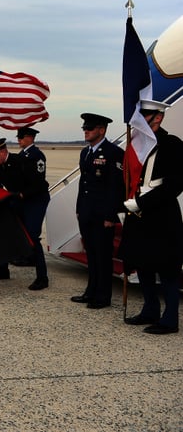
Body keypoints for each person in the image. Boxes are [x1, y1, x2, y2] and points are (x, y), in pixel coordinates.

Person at [119, 100, 183, 334]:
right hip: (138, 215)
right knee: (142, 264)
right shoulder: (136, 143)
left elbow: (175, 185)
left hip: (162, 215)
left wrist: (142, 202)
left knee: (167, 269)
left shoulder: (172, 144)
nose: (139, 120)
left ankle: (170, 319)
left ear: (159, 117)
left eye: (145, 115)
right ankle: (150, 309)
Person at [0, 134, 50, 289]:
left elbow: (40, 185)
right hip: (18, 199)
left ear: (3, 152)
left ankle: (42, 278)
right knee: (5, 230)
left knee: (32, 236)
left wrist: (22, 194)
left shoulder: (22, 162)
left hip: (35, 200)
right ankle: (3, 270)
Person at [71, 113, 125, 309]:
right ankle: (90, 291)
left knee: (103, 256)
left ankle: (103, 297)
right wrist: (79, 208)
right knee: (91, 254)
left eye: (90, 128)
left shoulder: (113, 152)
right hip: (86, 212)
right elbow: (83, 184)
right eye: (85, 128)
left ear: (102, 130)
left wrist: (111, 216)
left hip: (103, 215)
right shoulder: (85, 153)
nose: (86, 130)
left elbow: (115, 187)